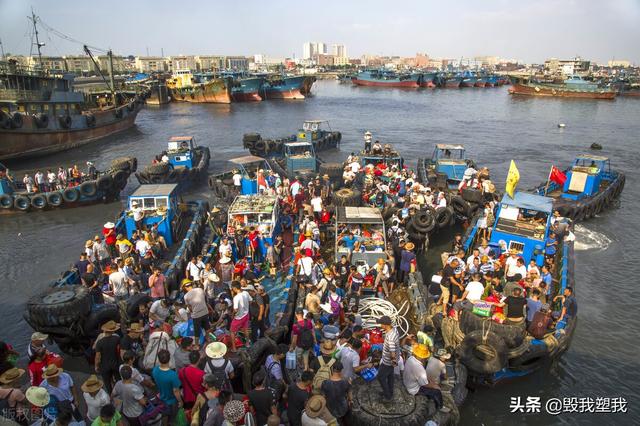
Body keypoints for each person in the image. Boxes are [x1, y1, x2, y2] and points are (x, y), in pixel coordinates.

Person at [151, 349, 183, 425]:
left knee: (164, 415)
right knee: (172, 418)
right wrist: (180, 401)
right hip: (172, 402)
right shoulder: (173, 375)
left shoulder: (155, 370)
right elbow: (176, 391)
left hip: (161, 398)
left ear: (159, 359)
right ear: (169, 359)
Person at [94, 321, 121, 393]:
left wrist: (96, 366)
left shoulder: (100, 342)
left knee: (107, 383)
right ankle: (120, 393)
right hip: (115, 363)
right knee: (118, 379)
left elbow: (98, 357)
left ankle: (111, 396)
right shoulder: (117, 339)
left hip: (104, 366)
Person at [377, 316, 399, 401]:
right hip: (392, 360)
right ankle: (390, 391)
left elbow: (392, 350)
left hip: (388, 361)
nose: (380, 325)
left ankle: (387, 395)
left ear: (385, 325)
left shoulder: (390, 337)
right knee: (390, 376)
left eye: (381, 324)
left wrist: (393, 360)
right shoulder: (395, 330)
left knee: (380, 377)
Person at [182, 280, 209, 346]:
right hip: (205, 312)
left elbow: (190, 308)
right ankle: (208, 339)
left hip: (196, 315)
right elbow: (205, 300)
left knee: (197, 331)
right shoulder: (200, 289)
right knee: (207, 327)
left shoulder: (186, 296)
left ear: (185, 287)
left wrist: (194, 311)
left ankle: (196, 345)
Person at [230, 281, 251, 352]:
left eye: (232, 288)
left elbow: (235, 309)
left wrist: (232, 315)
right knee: (245, 329)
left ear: (235, 288)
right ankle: (248, 343)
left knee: (232, 332)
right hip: (246, 314)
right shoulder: (246, 293)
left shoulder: (236, 297)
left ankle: (234, 348)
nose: (232, 289)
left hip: (239, 317)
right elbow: (250, 301)